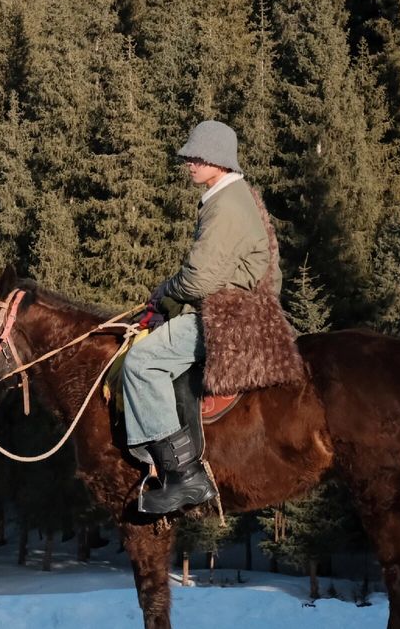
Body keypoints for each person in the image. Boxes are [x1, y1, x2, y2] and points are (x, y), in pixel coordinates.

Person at [122, 120, 281, 515]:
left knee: (141, 362)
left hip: (230, 317)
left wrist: (166, 292)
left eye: (197, 156)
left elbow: (200, 279)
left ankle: (184, 476)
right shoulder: (231, 196)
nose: (189, 163)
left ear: (219, 161)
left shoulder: (226, 205)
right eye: (190, 156)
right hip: (236, 307)